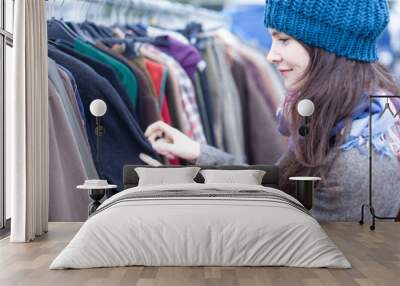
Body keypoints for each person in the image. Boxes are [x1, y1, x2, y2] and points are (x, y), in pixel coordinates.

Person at [144, 0, 400, 221]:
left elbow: (289, 244)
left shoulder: (356, 161)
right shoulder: (344, 121)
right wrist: (199, 153)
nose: (271, 55)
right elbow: (278, 186)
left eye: (284, 40)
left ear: (326, 46)